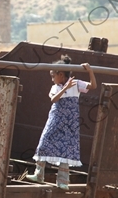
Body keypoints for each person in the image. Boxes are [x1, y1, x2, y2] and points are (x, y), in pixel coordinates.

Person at [26, 55, 97, 190]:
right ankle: (39, 174)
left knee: (67, 149)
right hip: (56, 120)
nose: (52, 79)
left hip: (70, 123)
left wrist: (90, 71)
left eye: (53, 76)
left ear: (60, 74)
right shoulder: (56, 87)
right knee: (44, 142)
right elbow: (54, 100)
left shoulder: (76, 84)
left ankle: (63, 182)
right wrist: (65, 88)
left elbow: (93, 85)